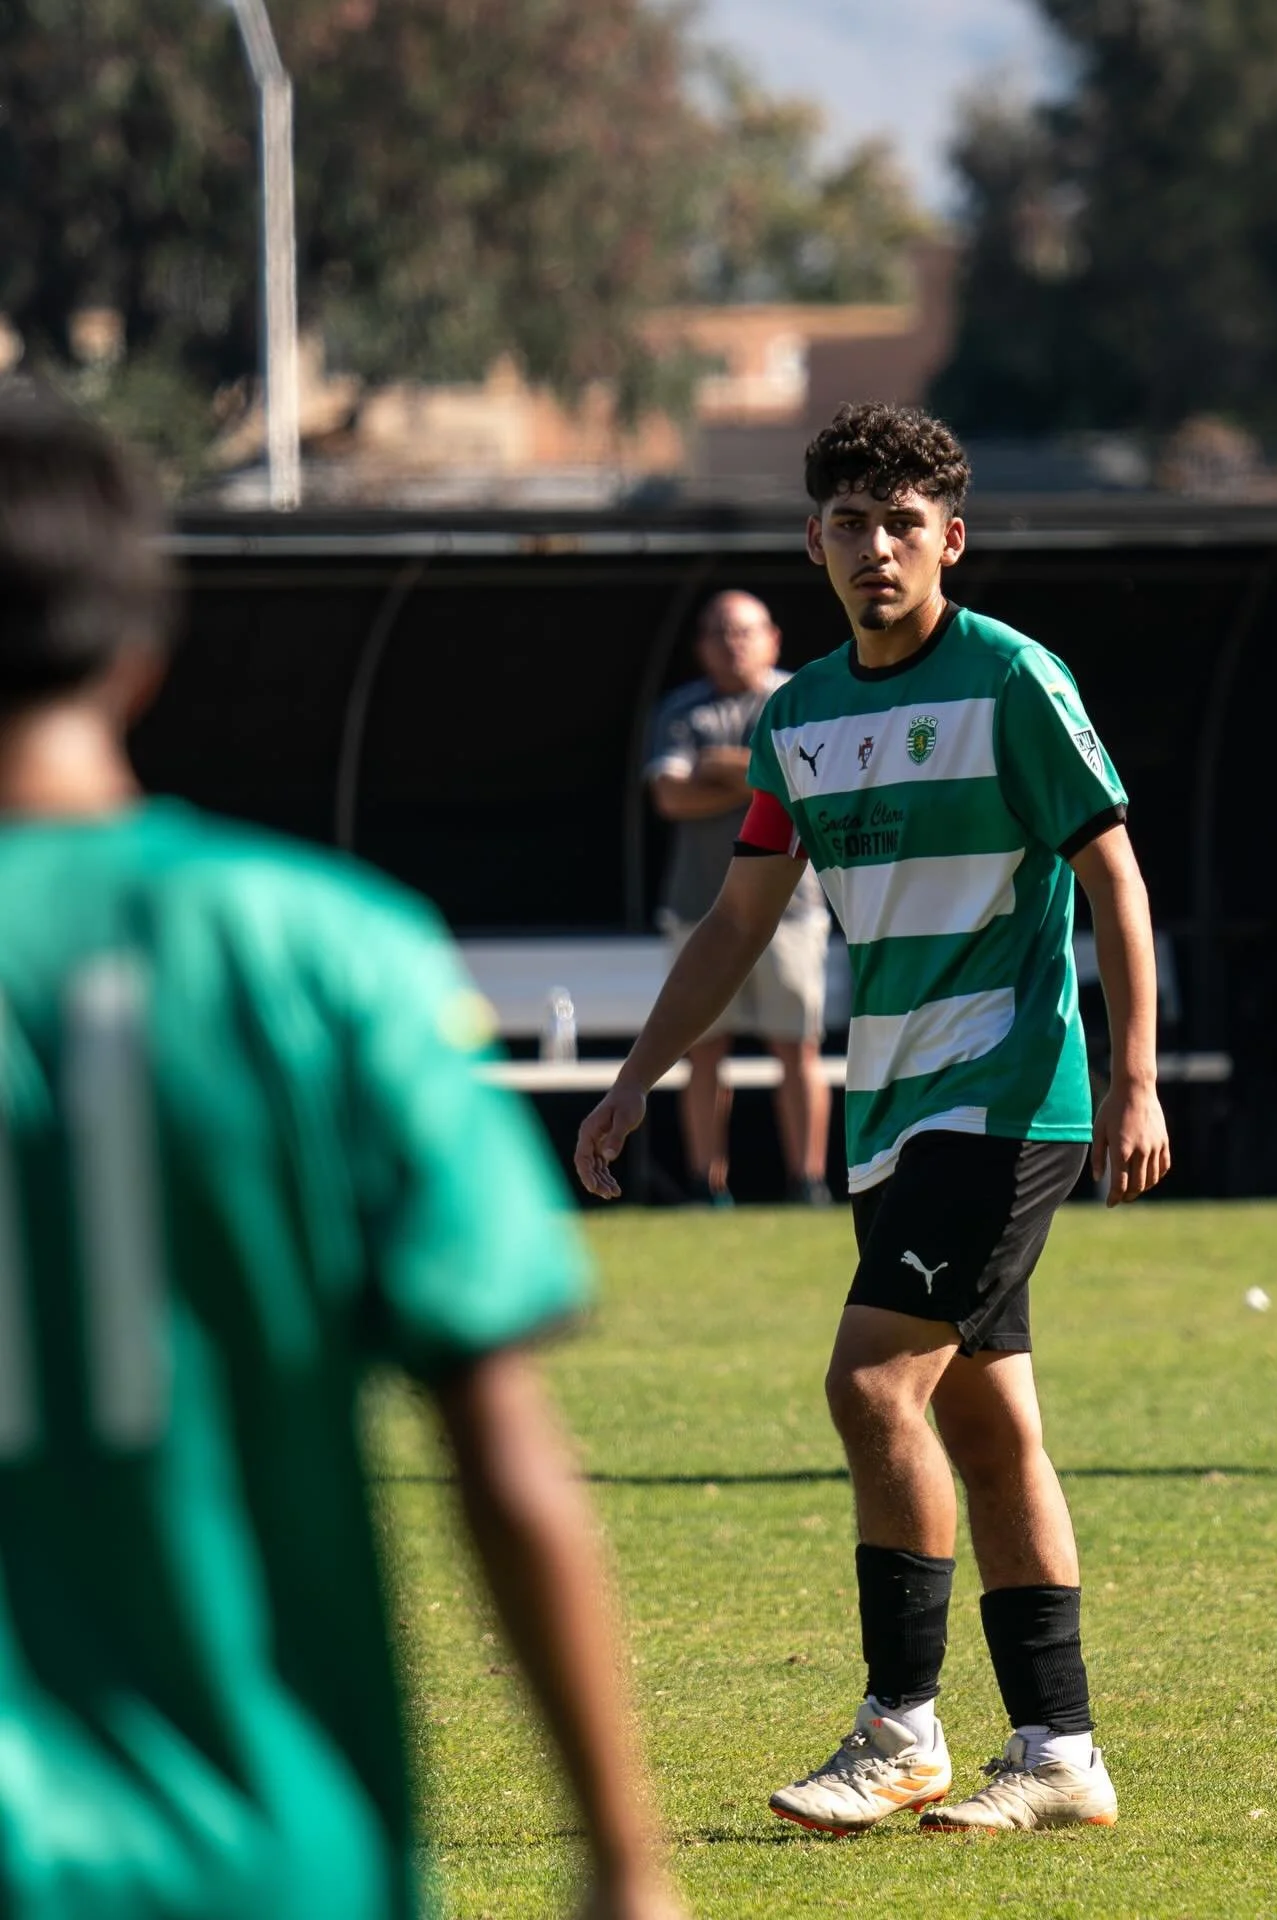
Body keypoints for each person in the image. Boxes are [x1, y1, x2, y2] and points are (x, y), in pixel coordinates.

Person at [0, 386, 682, 1920]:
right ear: (139, 654)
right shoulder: (324, 952)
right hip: (277, 1857)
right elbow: (499, 1439)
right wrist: (626, 1865)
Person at [577, 402, 1170, 1837]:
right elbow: (737, 920)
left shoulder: (1015, 680)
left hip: (1007, 1093)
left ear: (950, 540)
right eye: (851, 523)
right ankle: (1060, 1751)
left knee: (867, 1388)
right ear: (814, 544)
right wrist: (638, 1073)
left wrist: (1138, 1077)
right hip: (889, 1107)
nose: (877, 547)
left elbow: (1114, 880)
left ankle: (900, 1729)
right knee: (986, 1424)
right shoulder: (800, 719)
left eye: (905, 523)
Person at [646, 590, 832, 1205]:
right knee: (702, 1048)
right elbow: (671, 797)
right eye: (721, 634)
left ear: (773, 637)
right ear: (702, 646)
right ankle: (708, 1185)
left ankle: (807, 1183)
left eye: (745, 631)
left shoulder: (799, 699)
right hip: (700, 907)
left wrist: (723, 770)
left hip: (792, 906)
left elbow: (813, 787)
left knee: (796, 1046)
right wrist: (761, 781)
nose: (734, 644)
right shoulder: (683, 709)